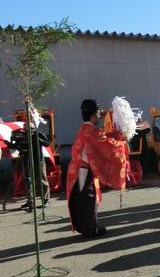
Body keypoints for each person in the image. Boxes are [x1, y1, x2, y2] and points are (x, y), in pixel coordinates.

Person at [66, 99, 128, 237]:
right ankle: (90, 229)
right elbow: (105, 143)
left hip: (81, 169)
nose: (99, 116)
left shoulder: (86, 129)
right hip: (83, 170)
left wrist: (117, 136)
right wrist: (121, 143)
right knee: (87, 199)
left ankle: (87, 228)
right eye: (98, 114)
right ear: (93, 115)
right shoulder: (90, 131)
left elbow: (103, 137)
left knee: (84, 199)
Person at [8, 121, 51, 212]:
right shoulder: (23, 136)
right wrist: (10, 143)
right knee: (28, 181)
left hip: (38, 160)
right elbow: (17, 146)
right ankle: (30, 201)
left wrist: (36, 137)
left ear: (34, 128)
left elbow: (47, 143)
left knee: (42, 180)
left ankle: (46, 200)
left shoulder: (39, 134)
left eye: (30, 129)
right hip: (26, 160)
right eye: (26, 129)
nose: (27, 130)